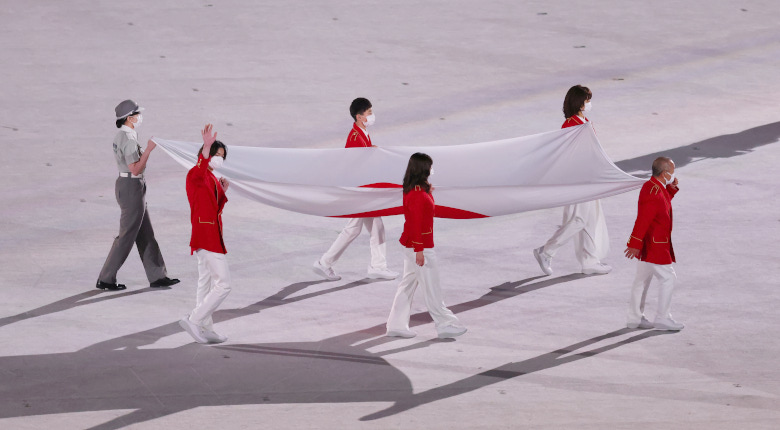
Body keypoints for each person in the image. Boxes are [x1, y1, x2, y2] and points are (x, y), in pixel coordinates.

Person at [312, 98, 399, 281]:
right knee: (356, 228)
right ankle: (326, 262)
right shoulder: (355, 137)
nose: (372, 115)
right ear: (359, 117)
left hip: (363, 189)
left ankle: (376, 266)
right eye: (369, 113)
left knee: (372, 227)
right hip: (360, 190)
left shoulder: (362, 132)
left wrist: (371, 151)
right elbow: (353, 165)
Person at [96, 99, 179, 291]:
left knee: (145, 233)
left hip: (129, 185)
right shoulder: (129, 138)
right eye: (137, 114)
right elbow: (135, 168)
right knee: (127, 236)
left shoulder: (122, 136)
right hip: (132, 185)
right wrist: (149, 150)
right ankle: (106, 278)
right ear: (130, 118)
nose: (140, 117)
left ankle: (158, 275)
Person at [385, 153, 467, 339]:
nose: (432, 169)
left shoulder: (414, 190)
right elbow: (416, 223)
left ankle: (396, 325)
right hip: (420, 246)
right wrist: (419, 251)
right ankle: (445, 323)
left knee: (407, 285)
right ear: (423, 169)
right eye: (429, 166)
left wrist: (428, 193)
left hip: (413, 245)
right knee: (432, 288)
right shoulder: (417, 194)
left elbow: (425, 212)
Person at [533, 85, 612, 276]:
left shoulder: (584, 121)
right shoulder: (572, 123)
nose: (589, 103)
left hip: (590, 176)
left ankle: (589, 261)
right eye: (587, 100)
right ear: (579, 101)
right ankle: (546, 250)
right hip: (579, 178)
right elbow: (571, 153)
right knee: (578, 219)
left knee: (591, 219)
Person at [179, 124, 233, 344]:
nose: (219, 159)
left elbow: (212, 207)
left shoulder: (211, 178)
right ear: (207, 154)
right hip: (207, 236)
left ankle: (204, 327)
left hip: (208, 234)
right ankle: (194, 319)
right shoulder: (197, 173)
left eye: (222, 156)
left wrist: (222, 192)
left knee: (206, 283)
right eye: (216, 154)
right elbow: (200, 168)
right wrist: (206, 147)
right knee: (224, 284)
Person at [625, 157, 684, 331]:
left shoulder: (653, 187)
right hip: (655, 245)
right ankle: (662, 318)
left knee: (641, 281)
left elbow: (661, 205)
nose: (673, 175)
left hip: (649, 245)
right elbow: (643, 219)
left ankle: (634, 318)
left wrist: (671, 189)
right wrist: (634, 243)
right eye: (672, 172)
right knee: (668, 278)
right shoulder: (654, 192)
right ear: (664, 173)